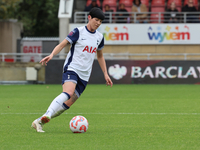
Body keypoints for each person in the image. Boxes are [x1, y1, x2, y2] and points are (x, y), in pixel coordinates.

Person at [31, 7, 113, 132]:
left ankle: (39, 121)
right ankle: (47, 114)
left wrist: (105, 74)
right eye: (96, 20)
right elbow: (62, 44)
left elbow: (100, 56)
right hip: (72, 68)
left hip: (85, 76)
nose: (98, 23)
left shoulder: (99, 37)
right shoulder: (78, 32)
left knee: (66, 105)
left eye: (100, 21)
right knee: (68, 92)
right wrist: (52, 55)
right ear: (89, 17)